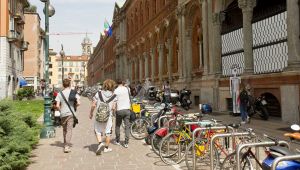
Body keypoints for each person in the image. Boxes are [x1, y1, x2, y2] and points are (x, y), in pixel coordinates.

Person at [89, 79, 117, 155]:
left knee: (97, 130)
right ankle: (106, 148)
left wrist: (91, 113)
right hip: (108, 117)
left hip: (99, 115)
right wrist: (113, 114)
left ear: (104, 85)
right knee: (108, 132)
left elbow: (93, 105)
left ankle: (100, 142)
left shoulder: (98, 94)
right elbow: (114, 108)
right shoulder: (114, 96)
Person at [55, 78, 80, 153]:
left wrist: (60, 111)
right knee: (69, 130)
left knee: (64, 129)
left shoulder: (60, 94)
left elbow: (57, 105)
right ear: (69, 84)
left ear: (63, 85)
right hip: (71, 113)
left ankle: (65, 142)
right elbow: (79, 103)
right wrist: (74, 107)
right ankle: (66, 146)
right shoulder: (73, 92)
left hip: (63, 114)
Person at [114, 79, 131, 148]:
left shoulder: (116, 91)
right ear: (122, 82)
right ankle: (126, 142)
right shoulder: (127, 89)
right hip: (127, 109)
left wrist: (113, 110)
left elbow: (114, 101)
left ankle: (118, 140)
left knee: (118, 125)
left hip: (119, 110)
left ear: (116, 83)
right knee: (127, 126)